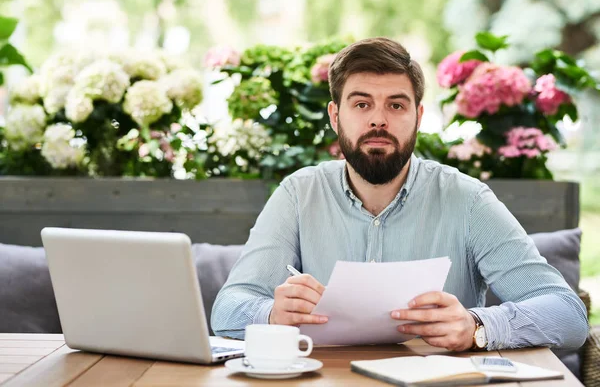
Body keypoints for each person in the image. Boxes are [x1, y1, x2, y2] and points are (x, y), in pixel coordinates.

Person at [211, 37, 588, 352]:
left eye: (396, 105)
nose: (379, 120)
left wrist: (477, 325)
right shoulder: (298, 194)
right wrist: (272, 315)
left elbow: (568, 314)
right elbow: (227, 310)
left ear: (418, 117)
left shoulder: (468, 200)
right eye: (361, 104)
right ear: (334, 116)